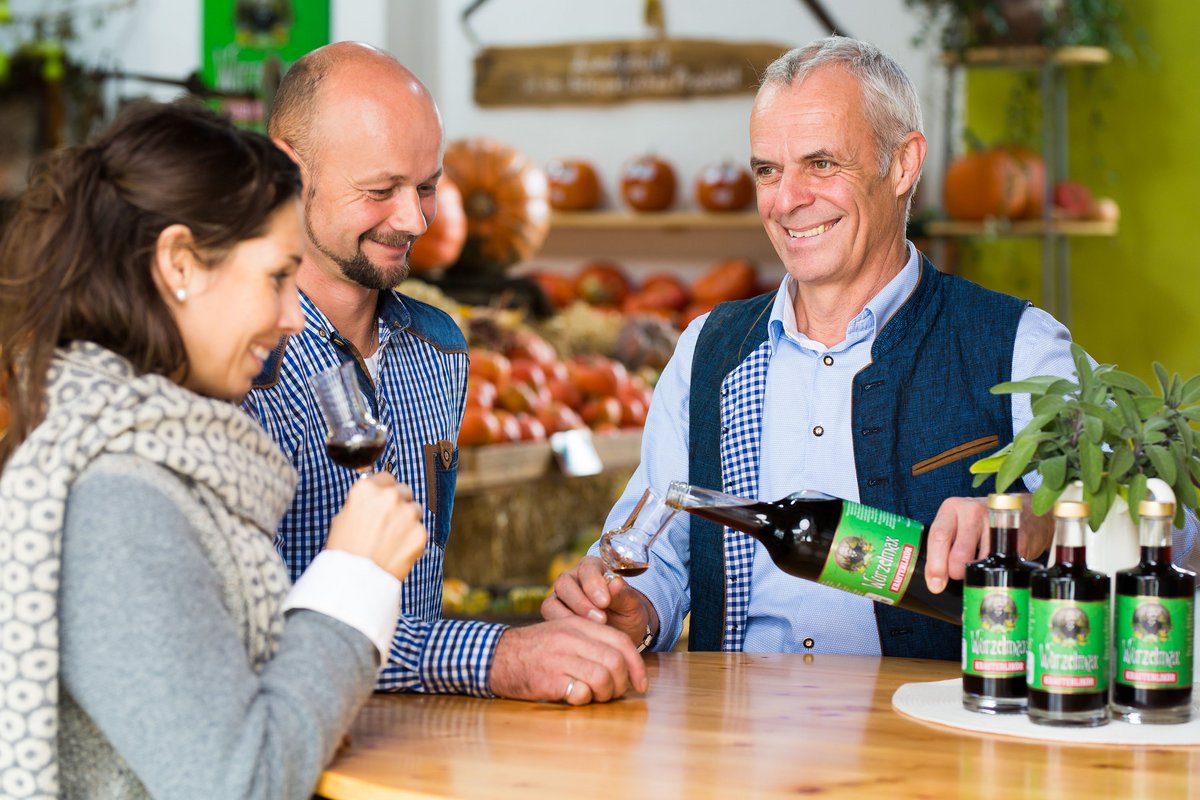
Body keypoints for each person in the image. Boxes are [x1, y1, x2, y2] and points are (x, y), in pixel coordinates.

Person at [544, 36, 1195, 658]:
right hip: (733, 746)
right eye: (769, 170)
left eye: (822, 164)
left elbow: (1170, 523)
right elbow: (653, 544)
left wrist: (1037, 522)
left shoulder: (1015, 346)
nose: (788, 200)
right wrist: (633, 608)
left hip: (941, 747)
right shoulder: (707, 352)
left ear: (903, 163)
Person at [0, 102, 429, 798]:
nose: (294, 316)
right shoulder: (118, 499)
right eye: (276, 276)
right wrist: (355, 579)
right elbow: (238, 782)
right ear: (178, 264)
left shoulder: (170, 463)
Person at [243, 41, 645, 706]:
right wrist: (494, 656)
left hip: (419, 743)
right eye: (379, 191)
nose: (414, 219)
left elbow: (418, 597)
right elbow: (250, 633)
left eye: (428, 187)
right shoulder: (234, 365)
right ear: (291, 170)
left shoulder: (440, 351)